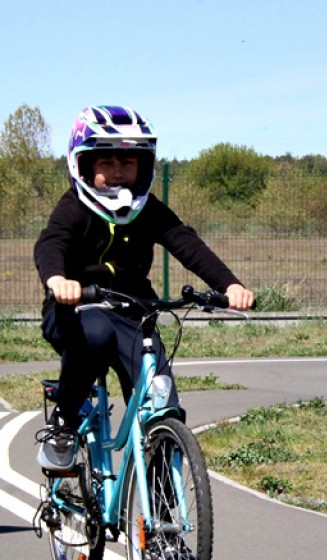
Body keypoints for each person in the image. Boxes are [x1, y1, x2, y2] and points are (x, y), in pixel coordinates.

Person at [34, 105, 253, 472]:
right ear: (82, 165)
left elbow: (186, 243)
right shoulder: (73, 208)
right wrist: (57, 279)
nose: (118, 172)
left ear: (144, 166)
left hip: (132, 314)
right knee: (97, 334)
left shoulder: (147, 209)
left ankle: (164, 495)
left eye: (128, 163)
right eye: (106, 163)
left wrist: (229, 285)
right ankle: (64, 422)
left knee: (162, 397)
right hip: (75, 311)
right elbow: (51, 243)